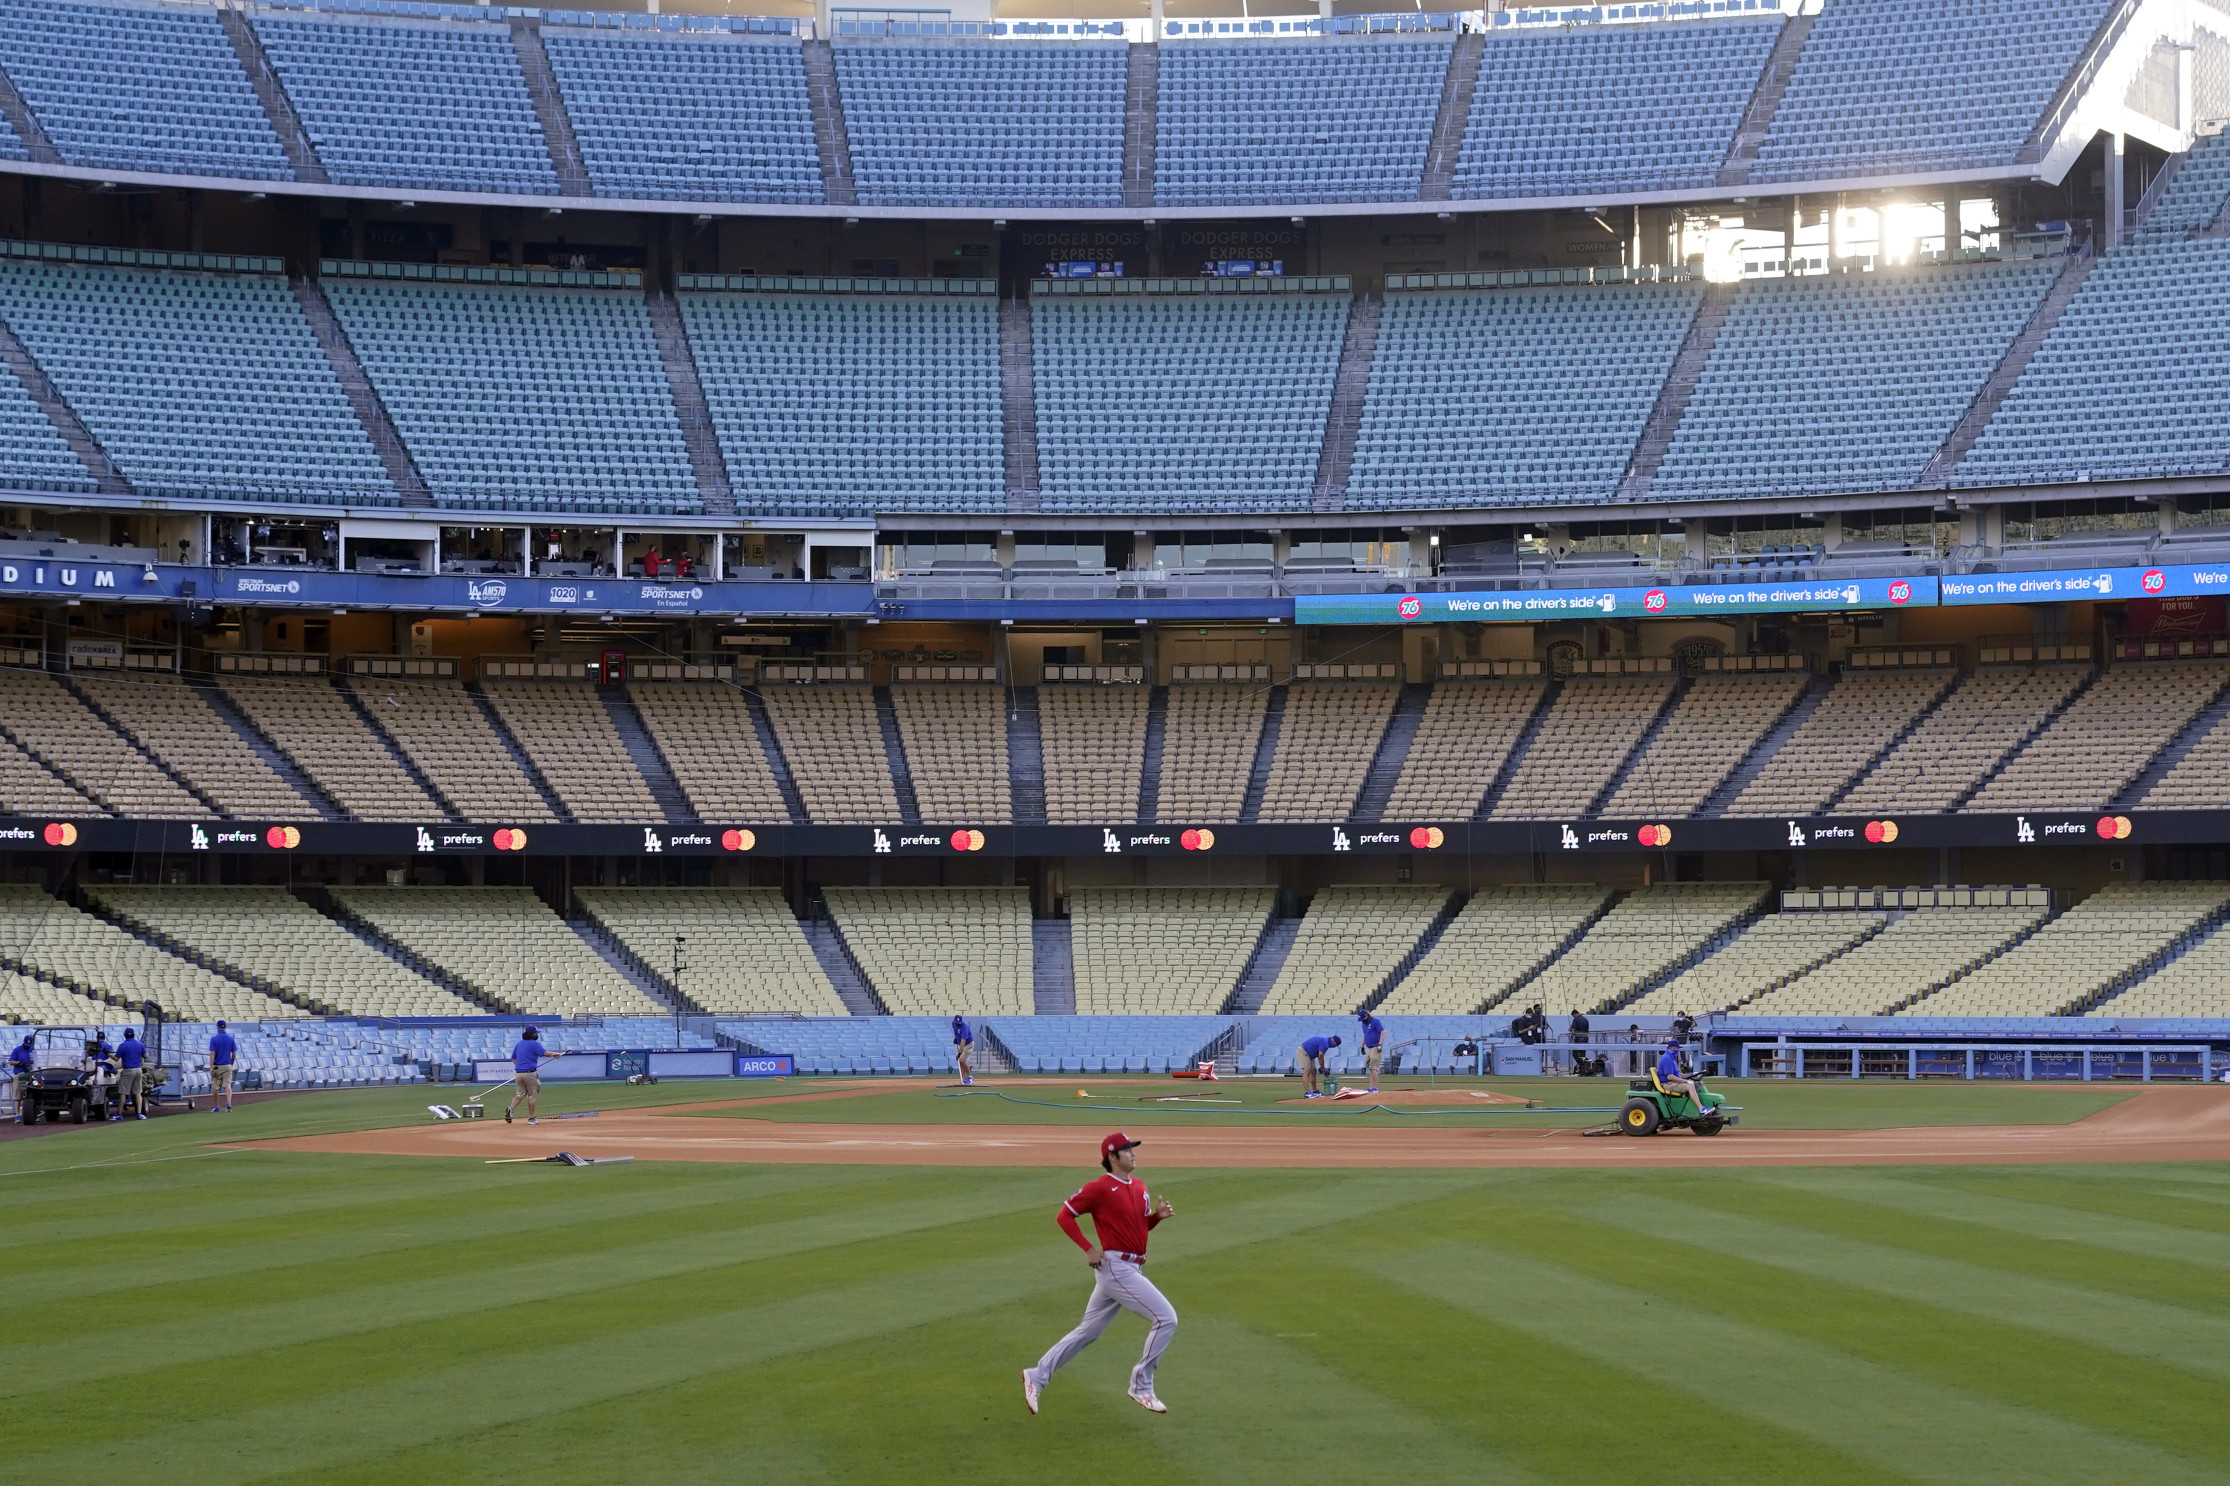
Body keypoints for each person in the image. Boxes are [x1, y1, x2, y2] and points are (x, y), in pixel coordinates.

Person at [1023, 1131, 1177, 1417]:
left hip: (1132, 1267)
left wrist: (1156, 1218)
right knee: (1166, 1318)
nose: (1133, 1153)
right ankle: (1141, 1386)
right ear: (1112, 1157)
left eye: (1132, 1149)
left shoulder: (1140, 1186)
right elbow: (1064, 1216)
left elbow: (1138, 1229)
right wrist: (1088, 1248)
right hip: (1116, 1269)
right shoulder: (1100, 1188)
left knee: (1087, 1332)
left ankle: (1037, 1375)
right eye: (1127, 1150)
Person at [504, 1027, 560, 1124]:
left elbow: (513, 1059)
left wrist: (520, 1066)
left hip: (518, 1073)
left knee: (520, 1094)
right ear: (533, 1034)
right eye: (535, 1033)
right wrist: (555, 1054)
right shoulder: (534, 1044)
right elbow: (545, 1053)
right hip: (530, 1073)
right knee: (532, 1095)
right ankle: (531, 1118)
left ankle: (511, 1108)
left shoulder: (519, 1043)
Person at [1656, 1038, 1704, 1113]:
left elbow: (1677, 1075)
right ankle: (1701, 1109)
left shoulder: (1672, 1059)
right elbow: (1670, 1077)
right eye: (1676, 1048)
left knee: (1697, 1083)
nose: (1677, 1050)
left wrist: (1691, 1074)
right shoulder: (1667, 1059)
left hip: (1671, 1082)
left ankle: (1693, 1109)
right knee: (1690, 1085)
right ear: (1671, 1048)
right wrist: (1685, 1081)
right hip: (1667, 1084)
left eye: (1677, 1048)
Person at [115, 1026, 147, 1120]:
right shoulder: (139, 1044)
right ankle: (139, 1114)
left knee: (123, 1093)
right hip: (138, 1070)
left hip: (128, 1070)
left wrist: (108, 1054)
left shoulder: (122, 1045)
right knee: (137, 1093)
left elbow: (116, 1059)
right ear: (133, 1035)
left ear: (125, 1035)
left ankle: (119, 1114)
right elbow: (146, 1055)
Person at [1296, 1034, 1341, 1098]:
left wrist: (1322, 1068)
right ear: (1333, 1041)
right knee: (1307, 1070)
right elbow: (1320, 1056)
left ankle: (1315, 1091)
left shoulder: (1326, 1042)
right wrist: (1323, 1068)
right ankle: (1307, 1093)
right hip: (1303, 1051)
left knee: (1313, 1070)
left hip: (1310, 1055)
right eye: (1335, 1045)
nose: (1334, 1046)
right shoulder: (1325, 1042)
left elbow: (1320, 1056)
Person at [207, 1020, 237, 1113]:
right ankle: (228, 1104)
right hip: (227, 1065)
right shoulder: (231, 1039)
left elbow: (212, 1054)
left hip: (217, 1066)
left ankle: (217, 1106)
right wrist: (231, 1063)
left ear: (218, 1027)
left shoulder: (214, 1039)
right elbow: (234, 1053)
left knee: (216, 1087)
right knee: (227, 1085)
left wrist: (211, 1067)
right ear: (225, 1027)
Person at [1356, 1009, 1385, 1093]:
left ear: (1367, 1015)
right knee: (1370, 1067)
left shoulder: (1375, 1021)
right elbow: (1365, 1035)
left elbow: (1383, 1032)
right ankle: (1371, 1088)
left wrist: (1380, 1044)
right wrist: (1362, 1045)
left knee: (1373, 1068)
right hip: (1368, 1047)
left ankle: (1375, 1088)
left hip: (1375, 1046)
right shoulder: (1364, 1024)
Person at [9, 1033, 34, 1123]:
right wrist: (19, 1063)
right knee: (17, 1095)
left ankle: (34, 1113)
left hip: (29, 1073)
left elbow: (36, 1061)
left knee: (32, 1094)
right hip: (19, 1074)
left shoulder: (32, 1050)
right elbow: (11, 1061)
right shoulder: (17, 1050)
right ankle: (17, 1115)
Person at [951, 1014, 975, 1086]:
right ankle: (963, 1079)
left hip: (968, 1045)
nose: (957, 1025)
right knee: (960, 1061)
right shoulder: (953, 1024)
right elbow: (955, 1032)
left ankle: (970, 1077)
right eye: (956, 1023)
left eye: (959, 1023)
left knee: (962, 1060)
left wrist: (959, 1052)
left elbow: (963, 1041)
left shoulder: (965, 1028)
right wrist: (955, 1039)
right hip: (960, 1044)